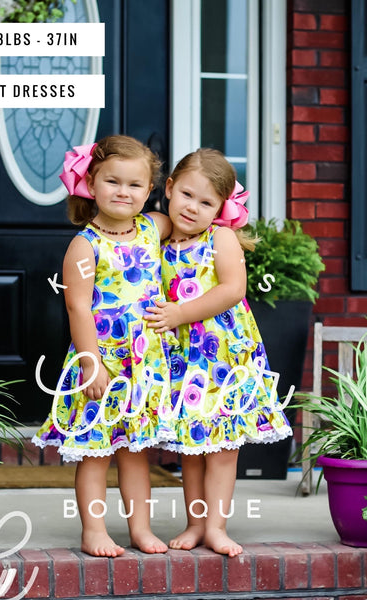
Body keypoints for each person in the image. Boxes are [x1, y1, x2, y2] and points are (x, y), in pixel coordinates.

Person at [33, 135, 177, 557]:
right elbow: (78, 308)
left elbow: (195, 224)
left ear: (149, 191)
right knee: (95, 453)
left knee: (136, 453)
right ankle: (93, 530)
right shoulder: (85, 245)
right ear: (90, 183)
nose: (123, 192)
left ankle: (140, 529)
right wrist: (91, 364)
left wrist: (224, 211)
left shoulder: (154, 227)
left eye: (135, 185)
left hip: (144, 363)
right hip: (103, 363)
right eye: (112, 181)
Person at [145, 148, 293, 557]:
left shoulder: (220, 238)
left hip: (224, 357)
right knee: (191, 448)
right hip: (183, 358)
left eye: (207, 202)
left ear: (221, 208)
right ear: (169, 188)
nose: (193, 208)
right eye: (187, 195)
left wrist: (179, 313)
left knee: (223, 449)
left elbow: (232, 290)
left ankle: (217, 527)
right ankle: (195, 524)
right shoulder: (157, 234)